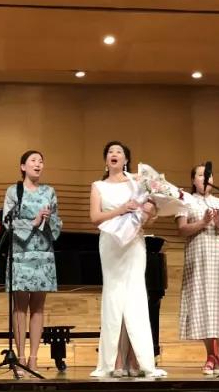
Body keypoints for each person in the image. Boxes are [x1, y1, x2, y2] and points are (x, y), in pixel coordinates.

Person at [88, 141, 164, 378]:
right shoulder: (98, 186)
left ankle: (136, 359)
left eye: (119, 152)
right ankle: (115, 360)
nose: (114, 154)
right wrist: (121, 209)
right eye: (110, 152)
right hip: (111, 244)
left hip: (134, 243)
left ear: (126, 159)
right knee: (114, 299)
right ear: (106, 160)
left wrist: (150, 212)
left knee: (135, 298)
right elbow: (95, 218)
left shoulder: (137, 182)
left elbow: (152, 213)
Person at [176, 163, 219, 375]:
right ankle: (210, 355)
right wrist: (203, 222)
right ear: (193, 180)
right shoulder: (185, 200)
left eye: (209, 175)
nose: (205, 178)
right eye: (201, 175)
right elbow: (182, 229)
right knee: (203, 304)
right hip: (198, 258)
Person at [2, 150, 61, 375]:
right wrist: (33, 222)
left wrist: (48, 219)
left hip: (43, 253)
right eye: (33, 161)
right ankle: (20, 357)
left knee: (38, 307)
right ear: (23, 166)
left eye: (41, 161)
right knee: (20, 307)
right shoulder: (14, 191)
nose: (38, 164)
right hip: (21, 253)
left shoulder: (49, 191)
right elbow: (7, 222)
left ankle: (34, 358)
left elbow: (57, 223)